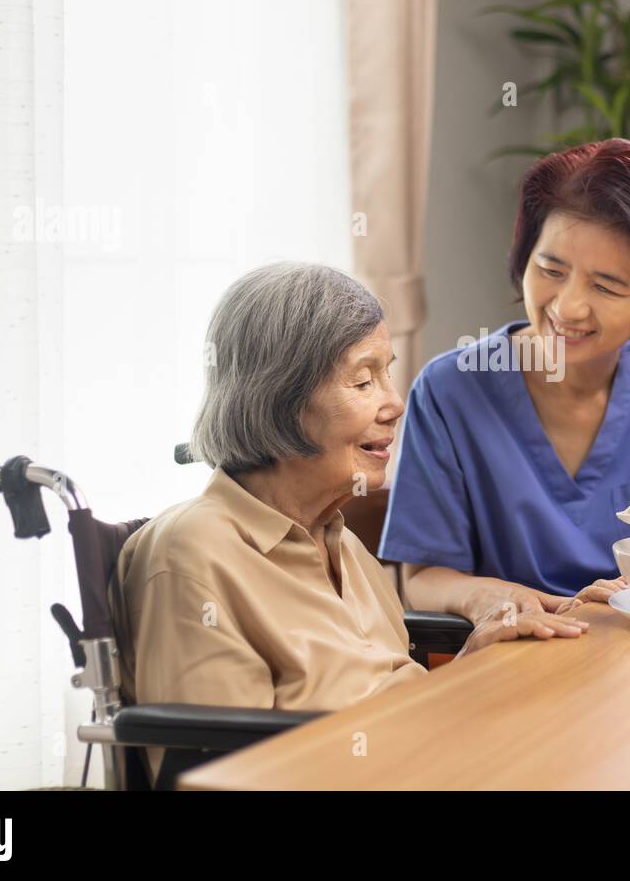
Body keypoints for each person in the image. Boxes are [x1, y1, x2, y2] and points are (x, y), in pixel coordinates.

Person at [110, 262, 589, 782]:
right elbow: (219, 772)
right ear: (280, 400)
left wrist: (479, 653)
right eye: (363, 380)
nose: (395, 404)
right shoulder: (192, 554)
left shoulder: (342, 543)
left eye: (387, 373)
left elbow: (387, 691)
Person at [380, 138, 630, 622]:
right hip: (516, 655)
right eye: (550, 269)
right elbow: (424, 576)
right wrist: (497, 600)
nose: (567, 307)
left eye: (606, 285)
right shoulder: (451, 389)